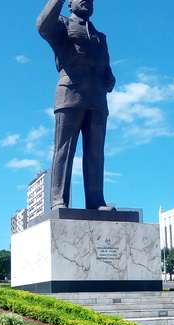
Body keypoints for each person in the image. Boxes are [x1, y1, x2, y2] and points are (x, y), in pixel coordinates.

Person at [37, 0, 116, 211]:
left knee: (96, 151)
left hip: (97, 96)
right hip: (70, 92)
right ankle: (58, 199)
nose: (86, 1)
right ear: (69, 5)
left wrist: (110, 77)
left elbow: (106, 65)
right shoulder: (61, 25)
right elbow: (42, 25)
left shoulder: (100, 37)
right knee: (64, 149)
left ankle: (96, 200)